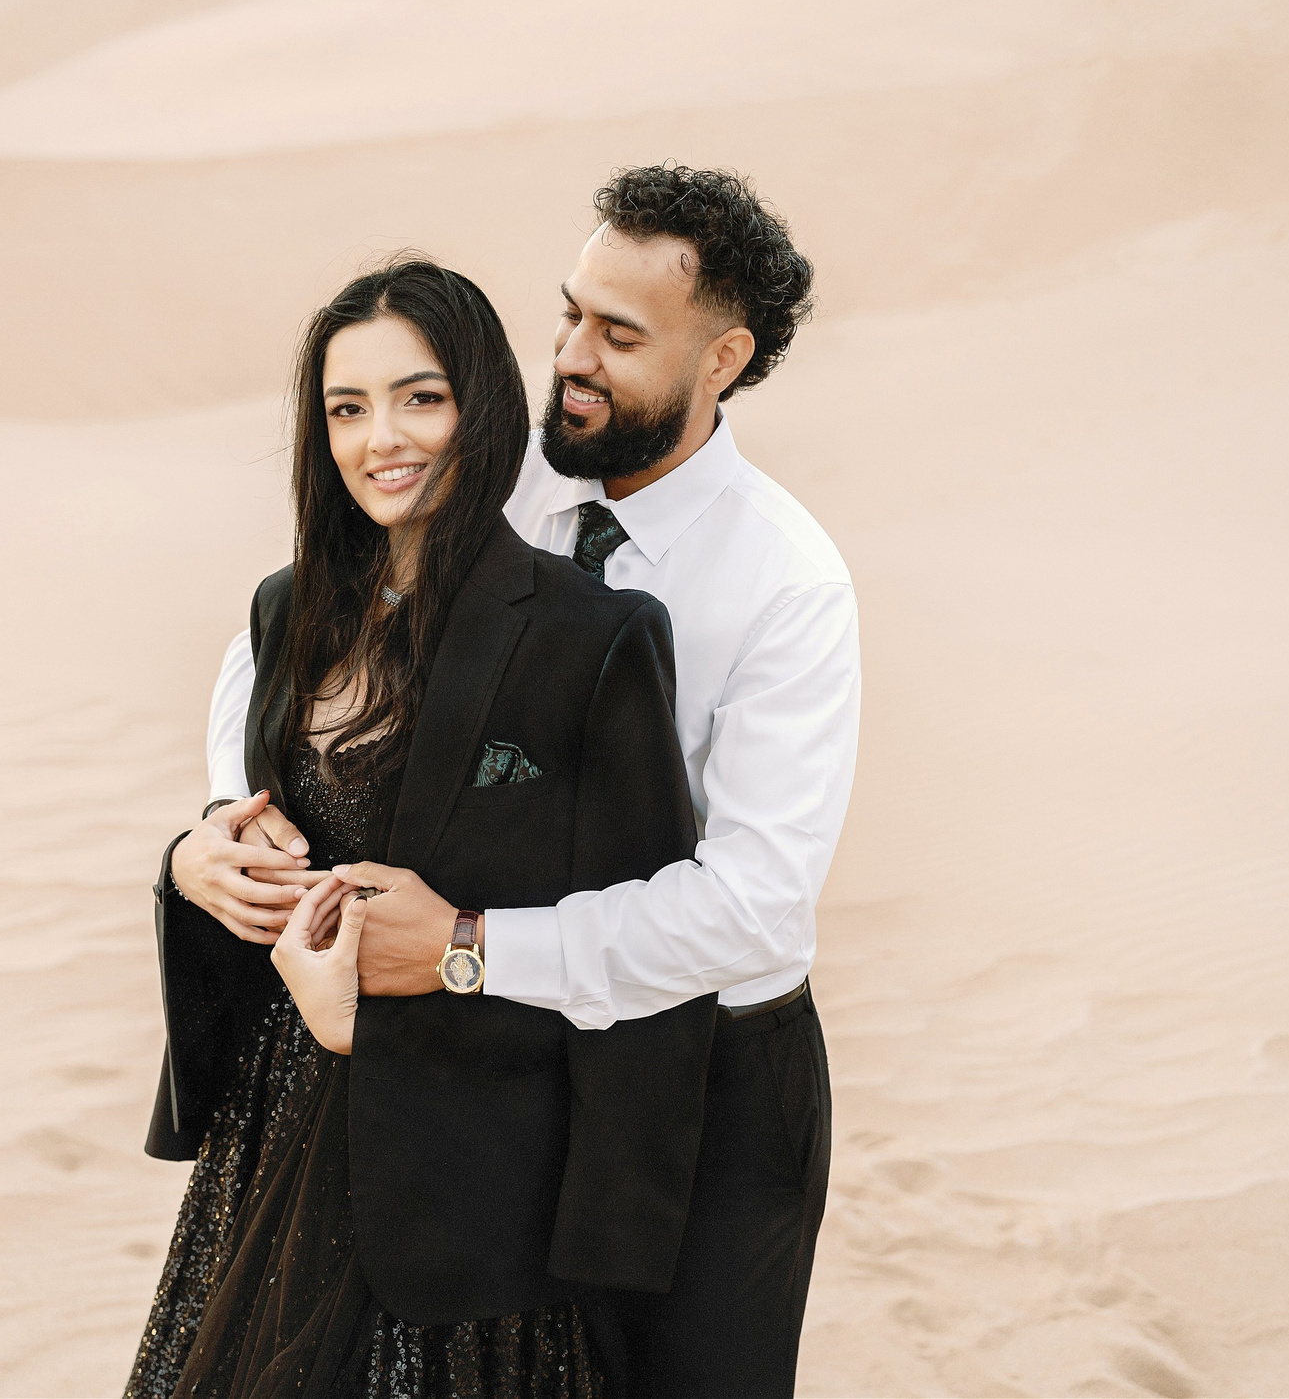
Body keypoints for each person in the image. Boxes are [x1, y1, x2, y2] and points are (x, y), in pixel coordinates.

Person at [181, 166, 859, 1397]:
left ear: (723, 358)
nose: (571, 357)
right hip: (506, 1075)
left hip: (710, 1076)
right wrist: (229, 816)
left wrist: (468, 948)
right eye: (566, 313)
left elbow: (755, 903)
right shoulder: (503, 476)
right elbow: (285, 641)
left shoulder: (786, 582)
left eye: (618, 333)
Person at [130, 253, 718, 1399]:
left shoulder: (590, 636)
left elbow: (640, 955)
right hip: (277, 1149)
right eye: (346, 407)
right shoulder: (286, 606)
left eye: (420, 396)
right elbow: (262, 839)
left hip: (477, 1185)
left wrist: (616, 1258)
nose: (380, 437)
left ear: (483, 405)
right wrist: (195, 862)